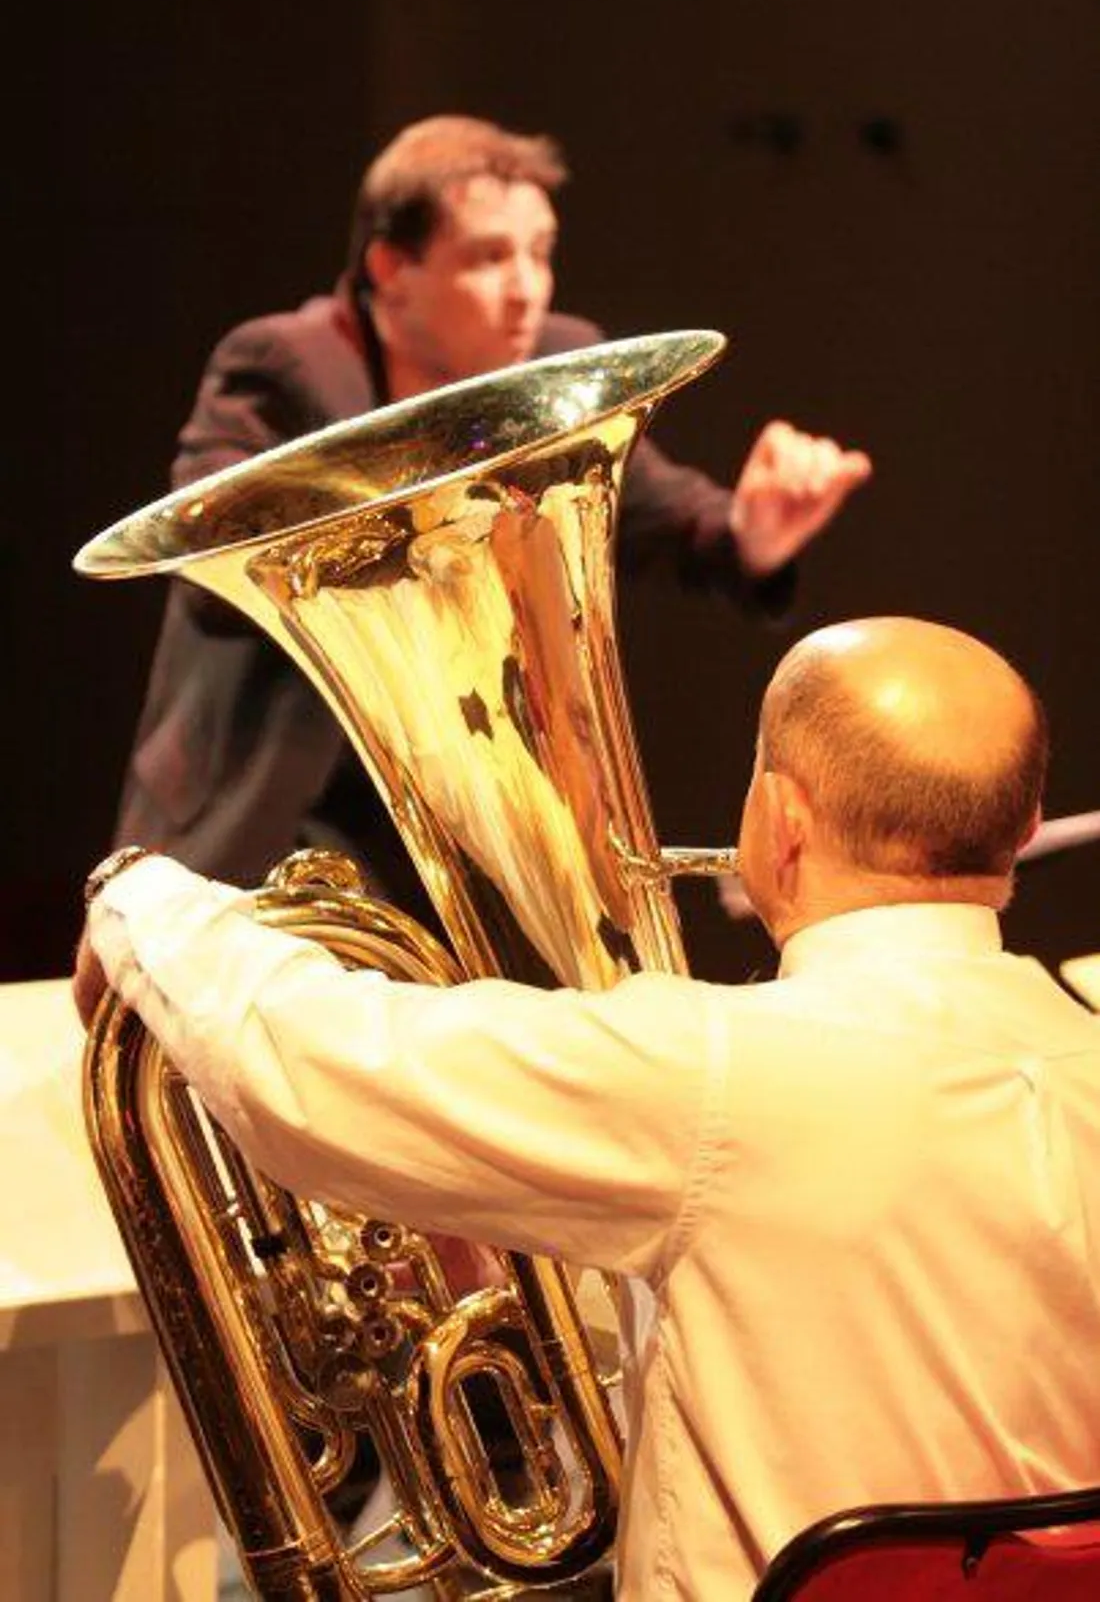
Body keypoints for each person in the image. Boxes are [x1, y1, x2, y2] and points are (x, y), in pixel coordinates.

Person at [75, 615, 1100, 1602]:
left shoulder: (713, 1072)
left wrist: (141, 891)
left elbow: (306, 1060)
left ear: (777, 820)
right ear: (1018, 828)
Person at [109, 114, 872, 904]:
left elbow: (665, 513)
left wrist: (754, 531)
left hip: (451, 818)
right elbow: (208, 563)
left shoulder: (554, 358)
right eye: (488, 257)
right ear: (390, 267)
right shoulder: (283, 363)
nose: (526, 289)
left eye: (539, 253)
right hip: (273, 801)